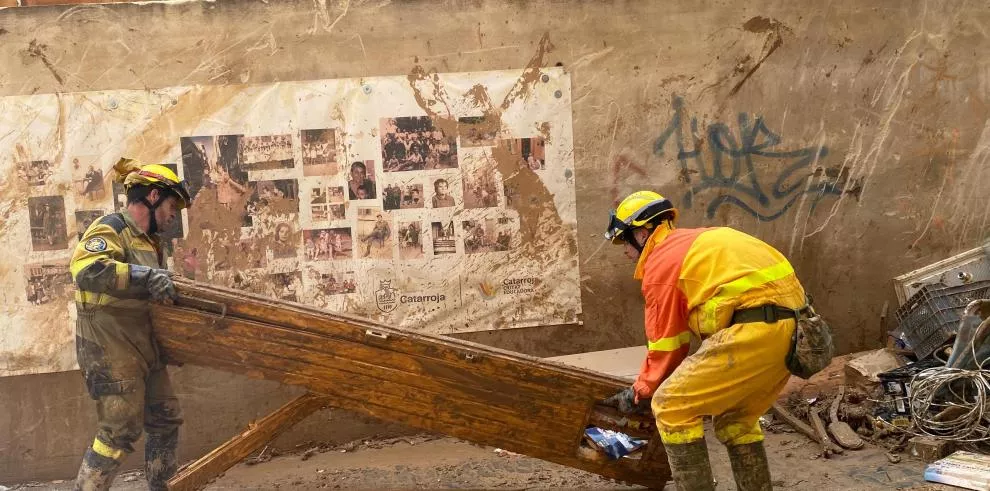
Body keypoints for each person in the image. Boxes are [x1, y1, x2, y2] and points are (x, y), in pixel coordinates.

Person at [601, 190, 828, 491]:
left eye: (623, 240)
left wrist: (641, 391)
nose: (624, 251)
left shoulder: (663, 262)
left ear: (642, 232)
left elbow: (667, 344)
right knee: (737, 421)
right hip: (795, 335)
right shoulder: (700, 243)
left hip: (755, 331)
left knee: (671, 407)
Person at [69, 158, 192, 491]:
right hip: (108, 345)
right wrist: (147, 275)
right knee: (118, 430)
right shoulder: (111, 227)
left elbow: (150, 293)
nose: (172, 215)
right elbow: (86, 270)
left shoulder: (150, 243)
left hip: (143, 345)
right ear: (152, 197)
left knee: (165, 418)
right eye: (170, 206)